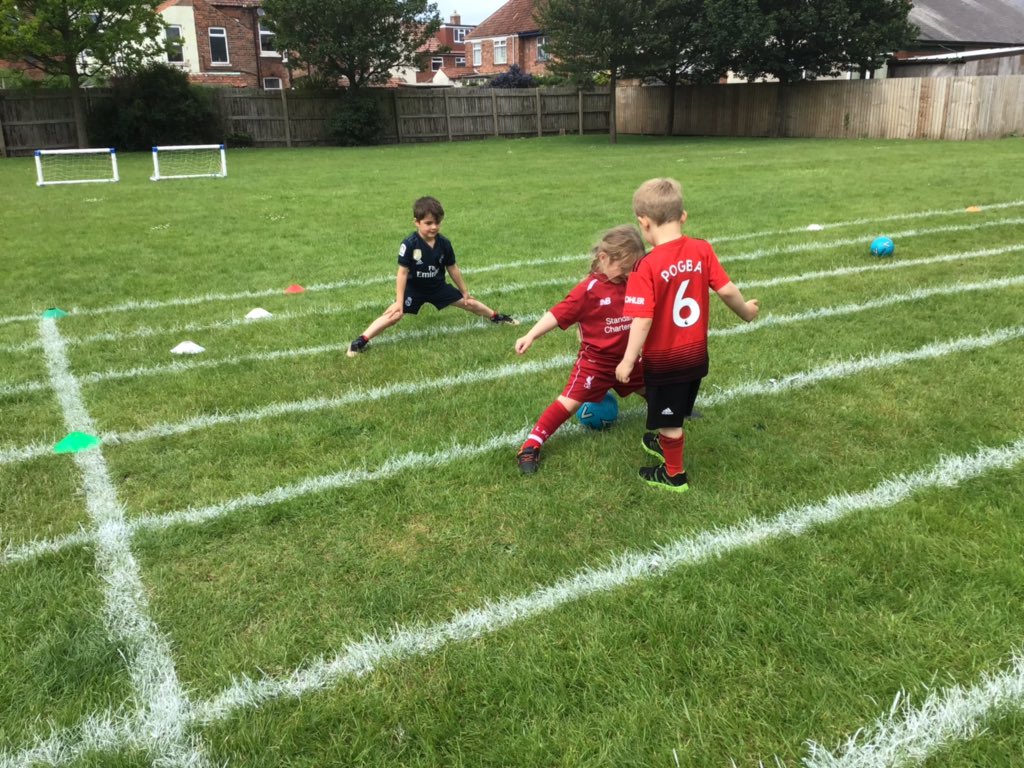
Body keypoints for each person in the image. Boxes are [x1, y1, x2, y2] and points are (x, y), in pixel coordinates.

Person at [615, 178, 759, 492]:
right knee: (675, 405)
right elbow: (727, 290)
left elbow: (641, 319)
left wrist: (628, 360)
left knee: (670, 420)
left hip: (666, 362)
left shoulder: (646, 266)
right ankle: (664, 435)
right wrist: (746, 311)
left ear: (644, 222)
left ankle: (674, 474)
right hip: (696, 355)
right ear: (683, 216)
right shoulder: (702, 250)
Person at [514, 225, 647, 474]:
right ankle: (531, 445)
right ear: (604, 258)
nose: (627, 275)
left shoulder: (632, 282)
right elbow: (557, 313)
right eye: (624, 269)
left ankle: (674, 413)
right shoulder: (588, 291)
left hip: (628, 359)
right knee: (569, 403)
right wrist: (530, 334)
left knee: (654, 390)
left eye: (632, 269)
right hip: (596, 363)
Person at [347, 196, 517, 357]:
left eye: (437, 223)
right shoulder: (409, 244)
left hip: (437, 287)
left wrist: (464, 291)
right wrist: (399, 302)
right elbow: (402, 273)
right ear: (416, 222)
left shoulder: (444, 244)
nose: (434, 227)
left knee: (470, 302)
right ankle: (360, 341)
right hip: (415, 290)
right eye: (428, 223)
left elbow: (452, 267)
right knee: (395, 314)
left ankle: (496, 317)